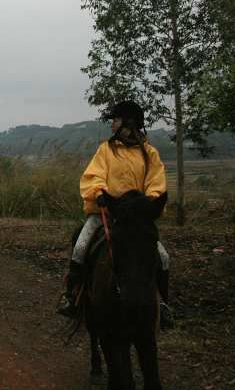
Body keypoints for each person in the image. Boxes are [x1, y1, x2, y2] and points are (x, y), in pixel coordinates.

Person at [57, 101, 174, 329]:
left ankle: (164, 305)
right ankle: (72, 296)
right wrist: (98, 192)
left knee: (163, 257)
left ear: (129, 123)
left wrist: (149, 203)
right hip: (105, 212)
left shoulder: (150, 154)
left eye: (116, 120)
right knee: (81, 247)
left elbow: (156, 184)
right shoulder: (106, 150)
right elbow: (94, 175)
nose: (112, 124)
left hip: (135, 219)